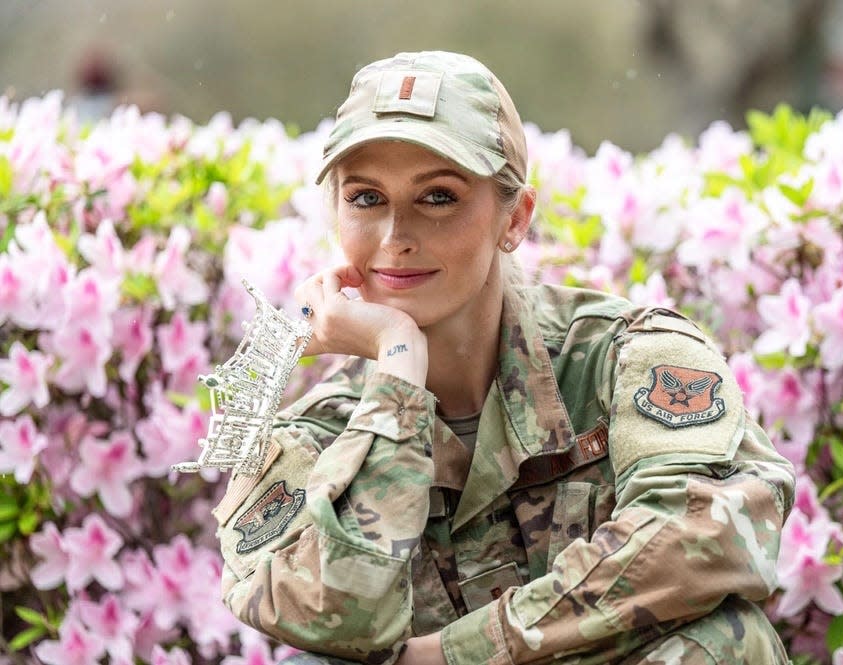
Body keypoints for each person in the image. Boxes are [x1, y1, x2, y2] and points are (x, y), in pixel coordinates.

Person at [212, 51, 795, 665]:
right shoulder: (314, 436)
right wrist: (397, 365)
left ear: (514, 219)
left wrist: (457, 655)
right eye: (365, 198)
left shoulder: (624, 358)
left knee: (728, 642)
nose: (394, 237)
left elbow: (711, 539)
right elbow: (330, 621)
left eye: (438, 196)